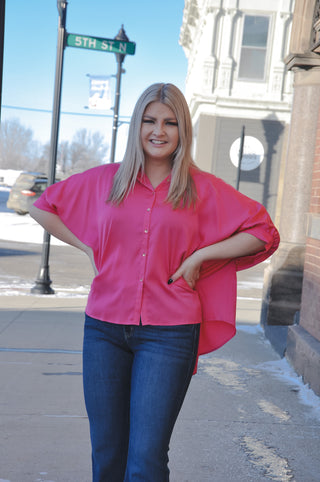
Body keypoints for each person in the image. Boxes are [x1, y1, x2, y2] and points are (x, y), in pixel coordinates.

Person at [29, 82, 280, 482]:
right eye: (149, 120)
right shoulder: (105, 180)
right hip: (104, 331)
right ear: (137, 126)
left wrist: (201, 255)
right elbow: (40, 206)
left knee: (145, 459)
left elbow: (263, 231)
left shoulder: (201, 188)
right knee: (107, 453)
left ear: (183, 130)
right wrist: (88, 247)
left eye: (170, 122)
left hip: (170, 334)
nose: (158, 131)